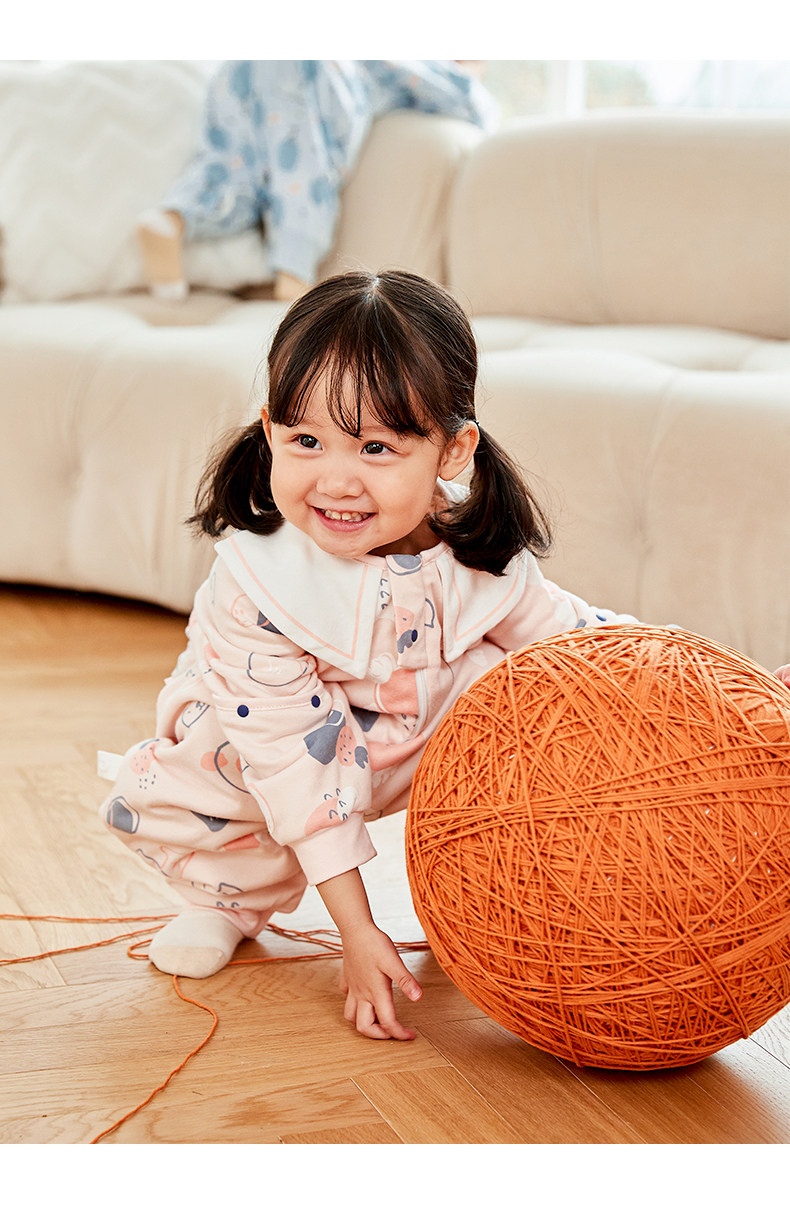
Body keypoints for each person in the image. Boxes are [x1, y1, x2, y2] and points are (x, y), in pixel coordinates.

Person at [101, 268, 786, 1043]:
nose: (336, 479)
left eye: (376, 447)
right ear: (269, 432)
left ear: (453, 450)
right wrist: (358, 933)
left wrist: (739, 692)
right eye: (305, 441)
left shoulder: (472, 554)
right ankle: (224, 901)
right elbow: (293, 764)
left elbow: (583, 643)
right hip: (260, 753)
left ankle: (490, 892)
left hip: (413, 742)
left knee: (538, 681)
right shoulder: (257, 585)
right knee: (231, 773)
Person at [137, 60, 498, 302]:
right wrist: (470, 80)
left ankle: (176, 217)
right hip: (305, 71)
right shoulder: (415, 60)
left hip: (240, 70)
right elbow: (466, 97)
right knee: (305, 165)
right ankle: (294, 273)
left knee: (231, 163)